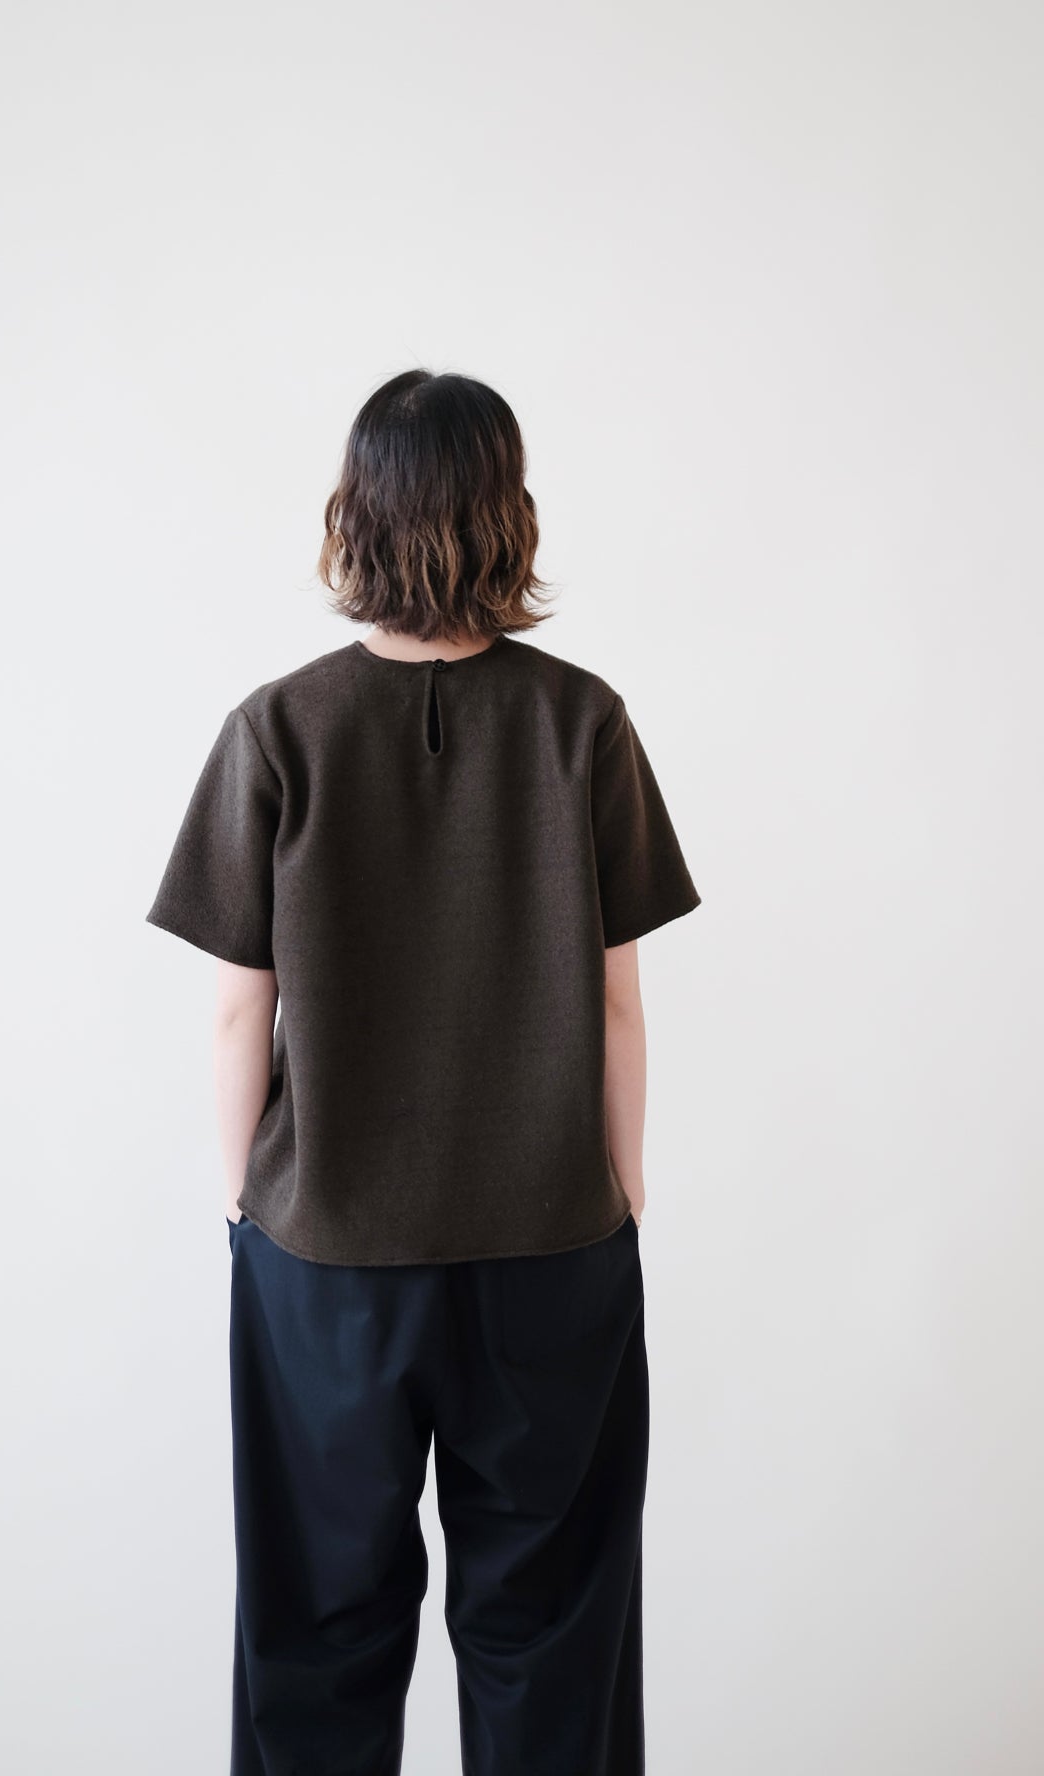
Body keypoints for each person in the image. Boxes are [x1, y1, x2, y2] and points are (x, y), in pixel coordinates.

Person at [145, 369, 702, 1775]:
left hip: (325, 1257)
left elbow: (238, 1015)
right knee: (552, 1631)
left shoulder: (278, 727)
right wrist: (622, 1183)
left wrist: (245, 1199)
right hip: (551, 1248)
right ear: (509, 511)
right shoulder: (583, 722)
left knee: (315, 1632)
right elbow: (618, 1001)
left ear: (357, 513)